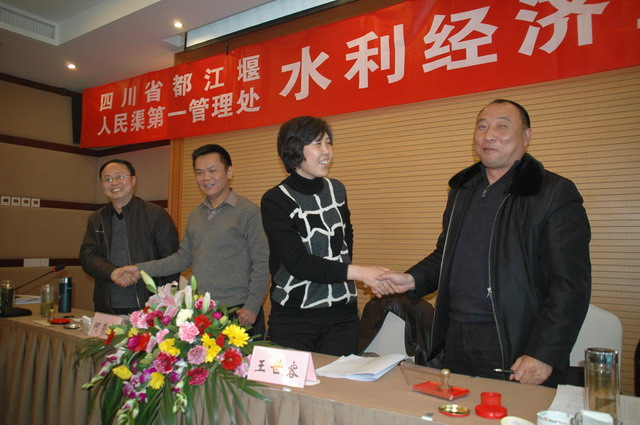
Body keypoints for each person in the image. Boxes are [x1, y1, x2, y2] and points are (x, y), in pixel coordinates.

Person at [377, 99, 591, 387]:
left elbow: (570, 284)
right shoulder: (463, 190)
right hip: (456, 337)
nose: (489, 135)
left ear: (526, 136)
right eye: (482, 126)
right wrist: (412, 279)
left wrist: (543, 353)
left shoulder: (553, 193)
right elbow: (447, 255)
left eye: (502, 126)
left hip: (514, 342)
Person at [261, 116, 389, 356]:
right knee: (292, 381)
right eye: (317, 144)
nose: (327, 151)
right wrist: (359, 272)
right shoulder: (275, 199)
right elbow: (298, 262)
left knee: (339, 379)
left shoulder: (336, 189)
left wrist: (346, 271)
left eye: (328, 143)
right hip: (293, 318)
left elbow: (345, 237)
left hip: (341, 315)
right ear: (294, 149)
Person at [113, 145, 270, 337]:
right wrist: (139, 269)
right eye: (199, 172)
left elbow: (262, 263)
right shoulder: (196, 215)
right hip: (202, 311)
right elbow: (181, 259)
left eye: (212, 170)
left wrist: (252, 306)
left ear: (229, 172)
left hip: (238, 311)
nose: (206, 177)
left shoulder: (249, 212)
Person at [80, 159, 180, 314]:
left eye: (120, 177)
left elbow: (172, 261)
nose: (114, 183)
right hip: (106, 306)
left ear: (133, 180)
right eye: (108, 179)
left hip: (149, 305)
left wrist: (165, 304)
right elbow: (87, 257)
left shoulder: (155, 214)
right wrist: (112, 272)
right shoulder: (96, 218)